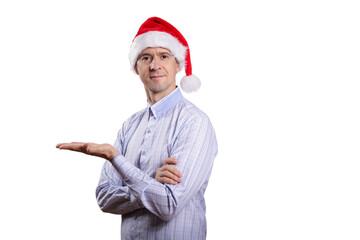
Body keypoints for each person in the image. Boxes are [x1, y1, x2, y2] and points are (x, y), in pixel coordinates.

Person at [57, 17, 218, 240]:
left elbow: (169, 204)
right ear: (136, 66)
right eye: (146, 57)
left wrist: (114, 157)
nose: (154, 65)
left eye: (164, 56)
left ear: (177, 64)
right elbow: (104, 197)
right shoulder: (129, 126)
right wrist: (152, 182)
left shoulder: (194, 122)